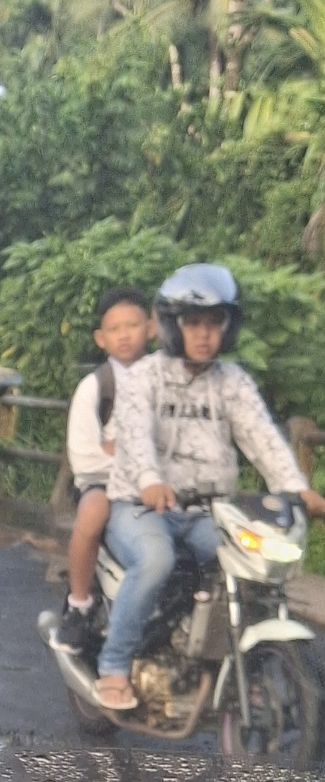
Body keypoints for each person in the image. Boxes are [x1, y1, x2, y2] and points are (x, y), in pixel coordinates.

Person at [92, 264, 325, 710]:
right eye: (194, 323)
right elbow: (136, 435)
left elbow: (262, 436)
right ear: (173, 325)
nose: (204, 334)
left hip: (209, 511)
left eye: (214, 323)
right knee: (157, 559)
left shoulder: (232, 381)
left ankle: (232, 664)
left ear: (227, 327)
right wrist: (150, 481)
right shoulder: (143, 376)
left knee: (244, 563)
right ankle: (114, 666)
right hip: (140, 507)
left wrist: (296, 486)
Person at [49, 287, 153, 654]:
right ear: (101, 338)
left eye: (133, 325)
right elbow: (85, 453)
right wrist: (129, 461)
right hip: (103, 481)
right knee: (92, 514)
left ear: (152, 327)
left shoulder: (166, 381)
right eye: (114, 328)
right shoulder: (96, 385)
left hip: (158, 482)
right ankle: (79, 604)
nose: (124, 335)